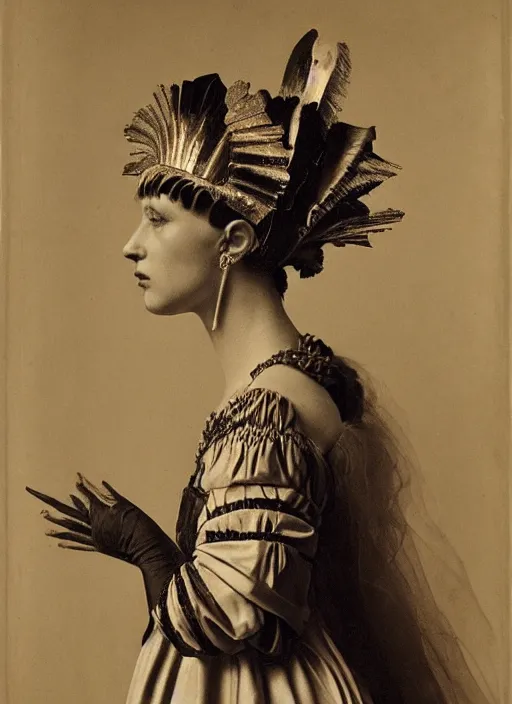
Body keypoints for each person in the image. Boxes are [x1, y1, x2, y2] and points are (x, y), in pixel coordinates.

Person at [26, 29, 497, 704]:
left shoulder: (268, 410)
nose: (132, 247)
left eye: (157, 220)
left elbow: (228, 614)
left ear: (235, 240)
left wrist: (147, 546)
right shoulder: (282, 384)